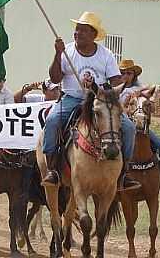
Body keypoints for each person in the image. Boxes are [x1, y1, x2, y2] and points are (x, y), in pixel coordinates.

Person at [44, 11, 138, 191]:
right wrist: (57, 54)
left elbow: (116, 81)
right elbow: (55, 78)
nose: (77, 33)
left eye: (83, 30)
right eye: (77, 29)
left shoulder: (106, 55)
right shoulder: (67, 52)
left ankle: (124, 173)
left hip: (99, 100)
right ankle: (52, 169)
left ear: (94, 35)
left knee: (128, 127)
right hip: (71, 98)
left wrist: (103, 89)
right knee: (52, 120)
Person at [118, 59, 160, 192]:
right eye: (123, 73)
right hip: (121, 126)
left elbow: (153, 87)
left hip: (141, 126)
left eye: (129, 73)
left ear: (134, 75)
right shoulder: (116, 89)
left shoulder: (138, 88)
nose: (126, 76)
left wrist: (139, 92)